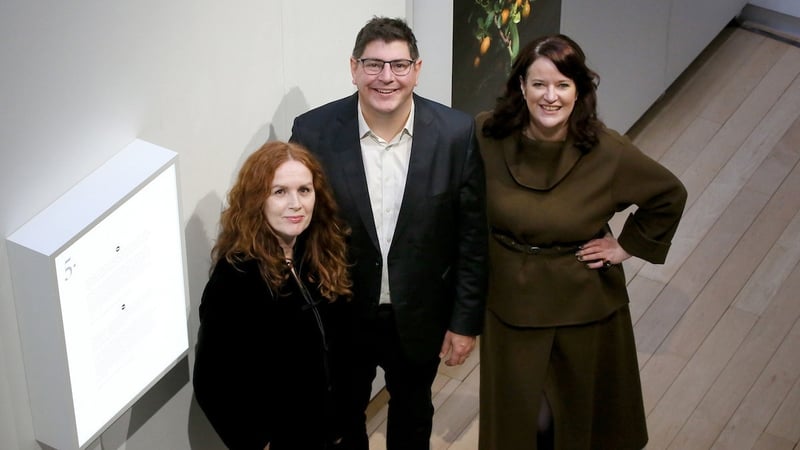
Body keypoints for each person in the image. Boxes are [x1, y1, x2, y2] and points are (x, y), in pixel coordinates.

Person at [476, 34, 687, 450]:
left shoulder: (607, 151)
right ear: (521, 86)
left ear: (579, 90)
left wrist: (625, 246)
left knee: (574, 414)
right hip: (508, 298)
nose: (550, 96)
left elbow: (668, 195)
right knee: (521, 415)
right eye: (539, 84)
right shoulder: (486, 133)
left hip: (582, 303)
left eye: (562, 85)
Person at [290, 16, 488, 450]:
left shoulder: (456, 134)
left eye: (399, 65)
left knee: (413, 417)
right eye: (373, 64)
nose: (386, 77)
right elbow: (299, 234)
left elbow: (471, 237)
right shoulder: (312, 132)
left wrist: (464, 322)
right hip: (341, 314)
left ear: (417, 70)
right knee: (341, 420)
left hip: (420, 314)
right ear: (354, 68)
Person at [192, 141, 352, 449]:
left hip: (334, 430)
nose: (296, 203)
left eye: (304, 190)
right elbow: (212, 382)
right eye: (280, 192)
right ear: (257, 200)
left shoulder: (319, 250)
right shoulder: (235, 278)